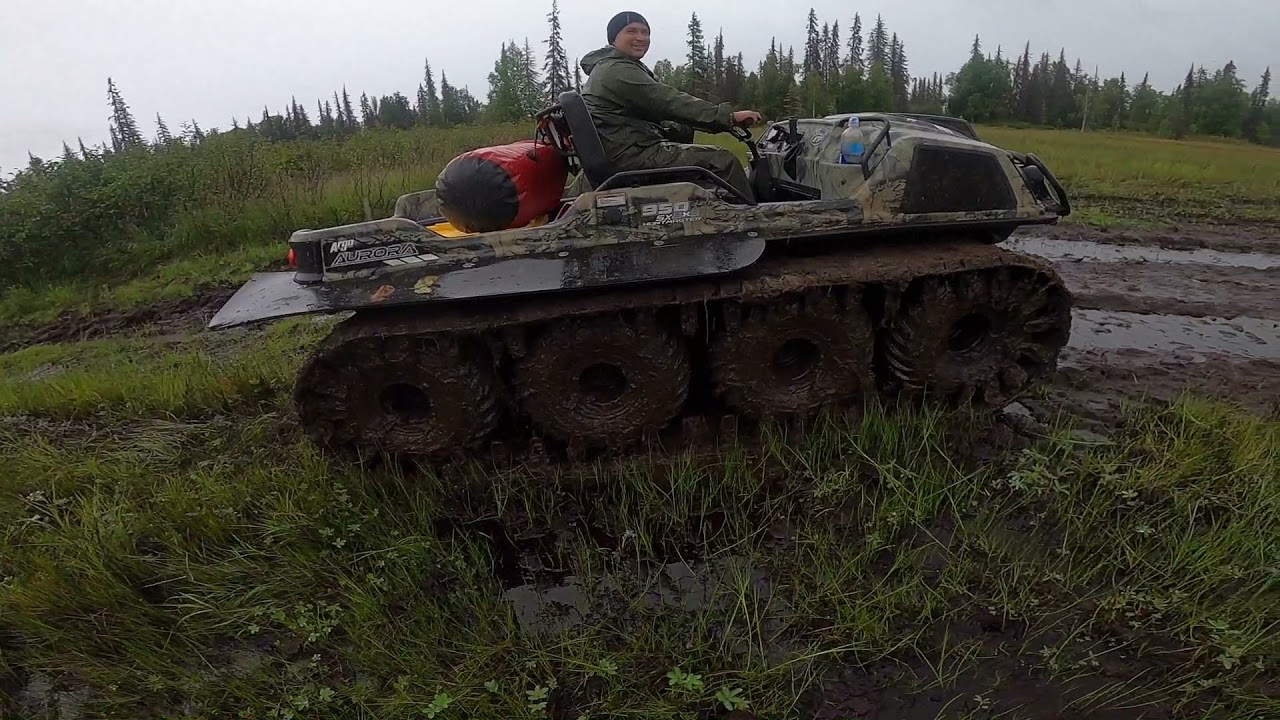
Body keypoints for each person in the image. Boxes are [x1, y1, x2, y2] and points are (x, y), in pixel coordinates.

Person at [576, 11, 763, 201]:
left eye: (645, 32)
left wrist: (686, 126)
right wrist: (728, 118)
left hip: (625, 151)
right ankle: (751, 215)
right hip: (630, 157)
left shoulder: (615, 67)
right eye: (631, 31)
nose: (641, 38)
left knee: (685, 134)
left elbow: (653, 113)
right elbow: (669, 101)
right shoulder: (616, 70)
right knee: (723, 161)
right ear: (613, 38)